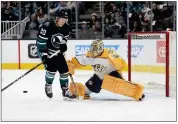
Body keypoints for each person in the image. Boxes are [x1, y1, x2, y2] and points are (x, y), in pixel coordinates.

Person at [68, 39, 145, 101]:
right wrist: (70, 65)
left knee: (121, 87)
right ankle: (75, 88)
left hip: (112, 75)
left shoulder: (110, 53)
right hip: (98, 77)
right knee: (86, 91)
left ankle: (137, 92)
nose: (93, 52)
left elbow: (122, 63)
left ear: (101, 49)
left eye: (96, 49)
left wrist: (119, 63)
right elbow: (78, 61)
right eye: (92, 49)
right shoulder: (89, 55)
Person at [36, 9, 76, 100]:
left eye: (65, 19)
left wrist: (63, 46)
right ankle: (48, 85)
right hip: (46, 50)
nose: (63, 21)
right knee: (51, 70)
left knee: (64, 70)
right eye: (62, 18)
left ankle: (65, 91)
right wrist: (44, 55)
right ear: (57, 18)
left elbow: (63, 40)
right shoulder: (46, 26)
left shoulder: (66, 27)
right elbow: (40, 43)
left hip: (57, 51)